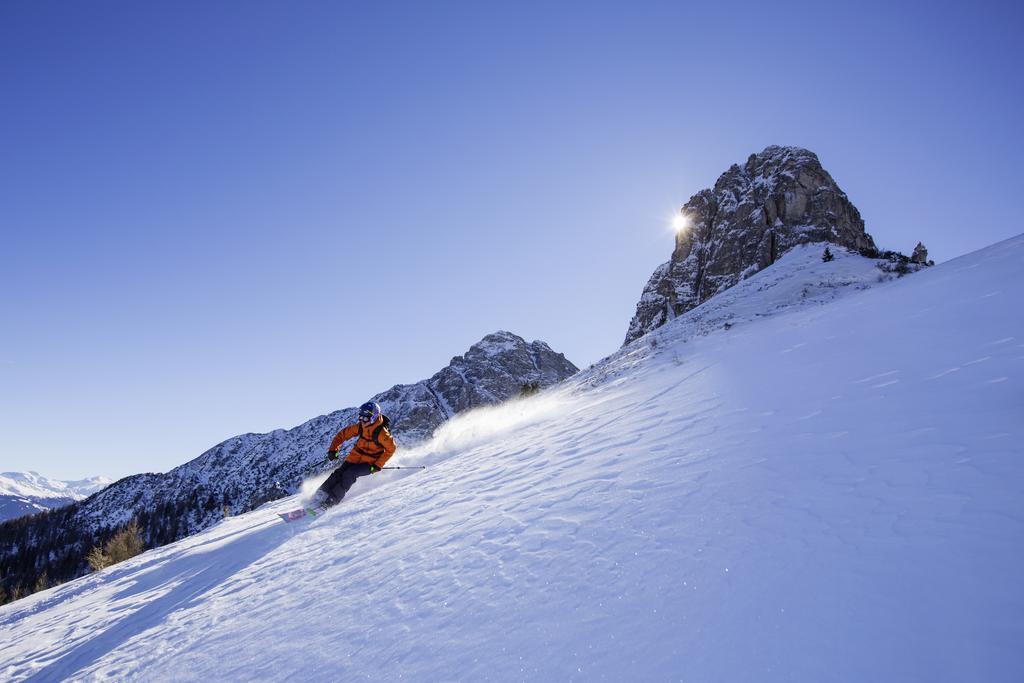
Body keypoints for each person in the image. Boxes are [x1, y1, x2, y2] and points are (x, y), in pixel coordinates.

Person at [314, 401, 396, 507]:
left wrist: (377, 465)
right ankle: (321, 493)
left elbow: (391, 449)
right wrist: (333, 450)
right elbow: (342, 435)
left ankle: (332, 500)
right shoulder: (360, 427)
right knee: (339, 473)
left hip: (369, 464)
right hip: (354, 458)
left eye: (365, 418)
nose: (362, 420)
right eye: (360, 417)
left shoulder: (382, 433)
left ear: (374, 417)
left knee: (349, 474)